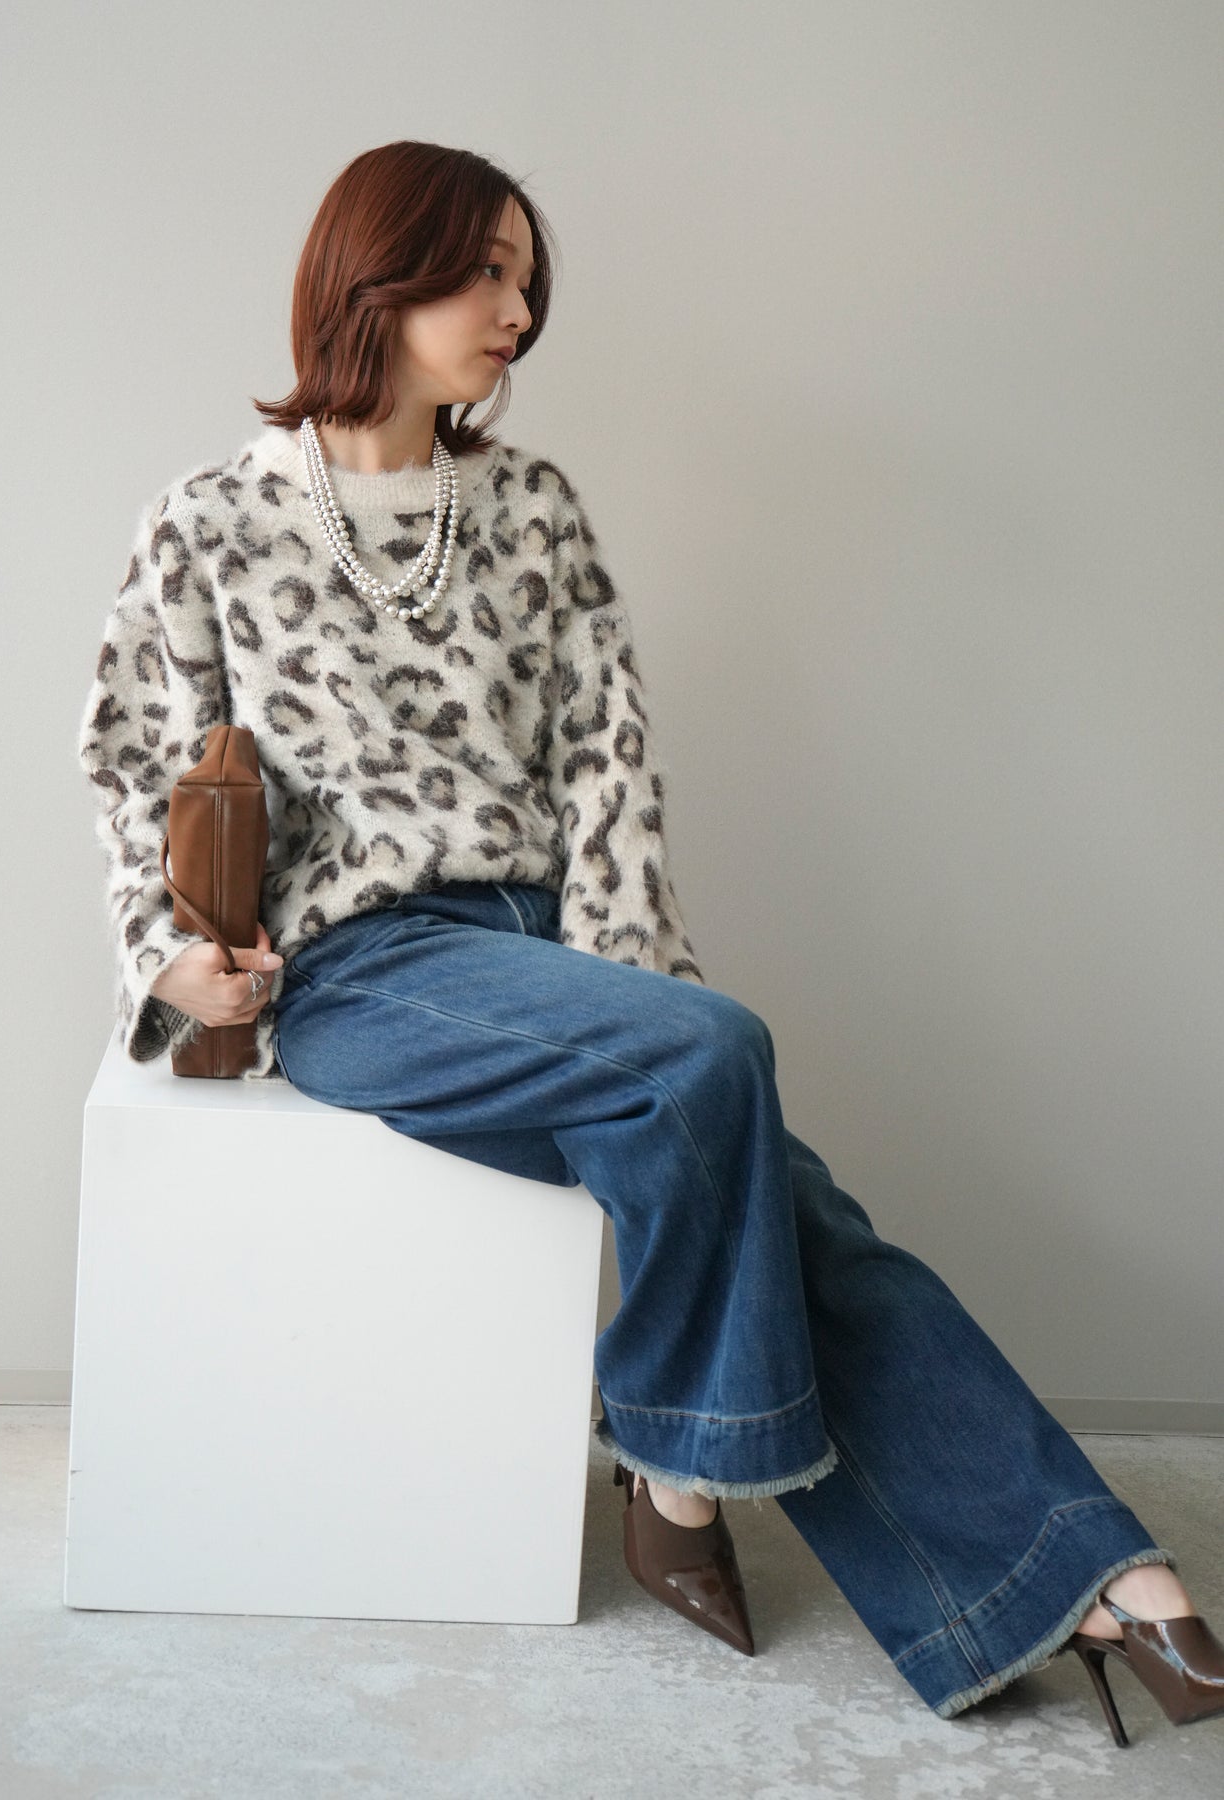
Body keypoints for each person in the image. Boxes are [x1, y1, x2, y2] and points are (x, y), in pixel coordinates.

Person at [76, 138, 1224, 1742]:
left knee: (777, 1185)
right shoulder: (210, 519)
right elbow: (134, 763)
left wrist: (627, 970)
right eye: (484, 272)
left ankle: (1083, 1581)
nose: (517, 311)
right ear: (376, 277)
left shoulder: (532, 510)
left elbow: (605, 766)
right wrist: (166, 959)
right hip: (358, 971)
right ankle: (686, 1475)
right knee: (720, 1065)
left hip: (541, 951)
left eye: (526, 279)